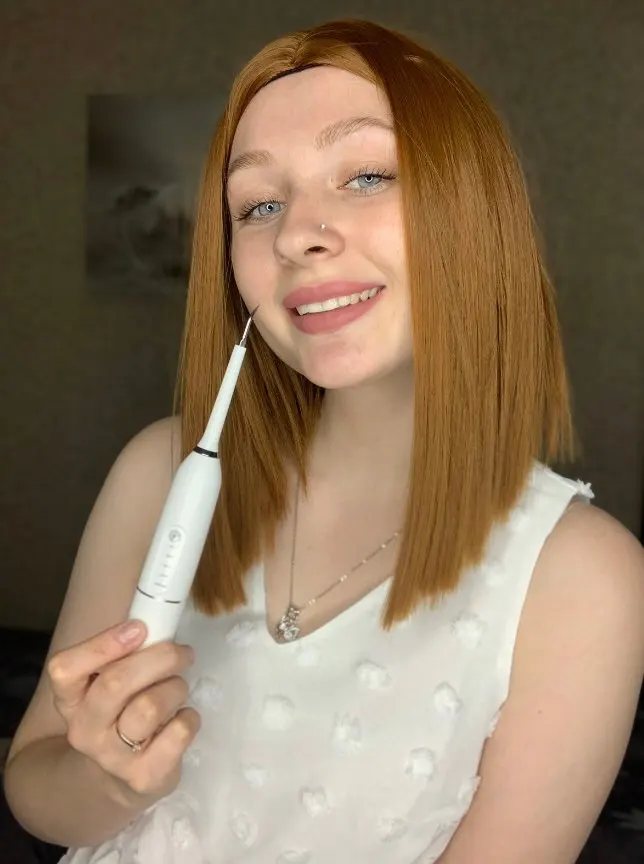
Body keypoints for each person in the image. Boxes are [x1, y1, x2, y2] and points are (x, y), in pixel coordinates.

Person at [4, 17, 644, 864]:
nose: (295, 235)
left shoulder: (586, 580)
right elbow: (34, 789)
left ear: (475, 209)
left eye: (367, 175)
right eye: (259, 205)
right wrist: (107, 782)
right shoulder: (157, 469)